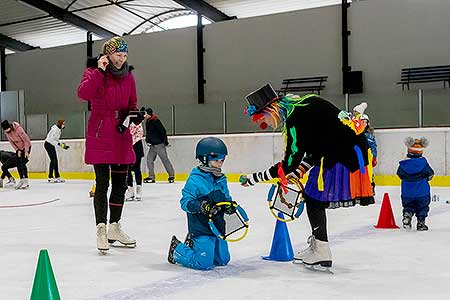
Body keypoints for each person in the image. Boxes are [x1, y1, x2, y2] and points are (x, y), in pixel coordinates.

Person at [240, 84, 374, 268]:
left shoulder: (294, 120)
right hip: (347, 148)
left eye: (262, 119)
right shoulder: (302, 106)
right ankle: (319, 247)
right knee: (313, 198)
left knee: (314, 199)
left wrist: (254, 178)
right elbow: (318, 145)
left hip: (342, 154)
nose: (265, 125)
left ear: (270, 111)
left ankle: (321, 250)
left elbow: (288, 164)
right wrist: (301, 169)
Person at [77, 36, 137, 253]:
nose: (121, 60)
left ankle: (114, 227)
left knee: (121, 184)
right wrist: (99, 71)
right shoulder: (94, 72)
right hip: (101, 131)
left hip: (121, 133)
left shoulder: (129, 76)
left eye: (124, 56)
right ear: (107, 55)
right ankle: (101, 228)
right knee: (102, 183)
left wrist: (133, 117)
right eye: (118, 55)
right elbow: (84, 94)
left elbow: (132, 102)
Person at [168, 137, 233, 270]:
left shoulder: (221, 179)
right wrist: (202, 206)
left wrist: (229, 205)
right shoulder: (195, 180)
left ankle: (194, 245)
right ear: (204, 159)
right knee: (203, 263)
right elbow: (185, 203)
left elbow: (227, 197)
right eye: (216, 160)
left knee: (223, 260)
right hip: (201, 227)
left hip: (217, 227)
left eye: (222, 160)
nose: (220, 163)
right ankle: (176, 249)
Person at [397, 137, 434, 231]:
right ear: (421, 151)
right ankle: (421, 223)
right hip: (422, 192)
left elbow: (399, 174)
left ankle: (407, 214)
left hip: (407, 192)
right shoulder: (423, 162)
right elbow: (430, 174)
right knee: (422, 207)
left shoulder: (403, 163)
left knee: (408, 206)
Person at [143, 107, 175, 183]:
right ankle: (151, 176)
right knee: (149, 160)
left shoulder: (155, 121)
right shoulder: (148, 121)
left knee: (164, 159)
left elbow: (163, 131)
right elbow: (149, 133)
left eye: (145, 113)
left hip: (159, 144)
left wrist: (165, 142)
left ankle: (171, 175)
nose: (144, 115)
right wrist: (148, 140)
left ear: (148, 114)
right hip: (152, 145)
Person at [1, 120, 31, 189]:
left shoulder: (18, 129)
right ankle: (21, 180)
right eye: (5, 130)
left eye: (7, 129)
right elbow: (12, 142)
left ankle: (26, 182)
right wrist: (17, 150)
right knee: (18, 163)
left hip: (26, 146)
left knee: (22, 163)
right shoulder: (7, 132)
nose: (6, 132)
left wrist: (26, 151)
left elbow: (26, 140)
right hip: (19, 149)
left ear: (10, 127)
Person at [125, 112, 145, 201]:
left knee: (137, 168)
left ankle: (139, 188)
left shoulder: (138, 122)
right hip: (126, 148)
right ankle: (130, 189)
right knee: (128, 169)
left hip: (136, 147)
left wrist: (131, 142)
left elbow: (140, 134)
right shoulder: (125, 121)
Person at [360, 114, 377, 194]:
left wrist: (374, 157)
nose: (364, 124)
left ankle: (371, 187)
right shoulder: (356, 134)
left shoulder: (370, 135)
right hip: (359, 158)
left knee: (369, 174)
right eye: (362, 122)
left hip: (368, 158)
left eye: (365, 122)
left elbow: (373, 146)